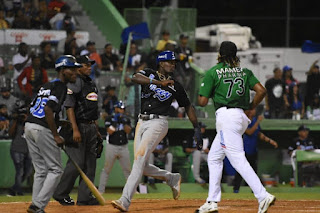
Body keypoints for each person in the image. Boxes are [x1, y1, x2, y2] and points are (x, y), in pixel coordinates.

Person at [111, 50, 203, 212]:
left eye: (174, 62)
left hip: (159, 122)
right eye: (170, 62)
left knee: (139, 160)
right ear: (161, 63)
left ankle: (125, 200)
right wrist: (160, 84)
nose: (173, 64)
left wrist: (196, 128)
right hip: (141, 121)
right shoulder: (148, 73)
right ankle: (171, 177)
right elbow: (134, 77)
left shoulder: (176, 85)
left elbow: (188, 106)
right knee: (142, 165)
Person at [196, 41, 276, 213]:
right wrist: (251, 106)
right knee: (214, 158)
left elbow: (202, 102)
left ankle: (263, 195)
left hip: (226, 117)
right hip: (240, 117)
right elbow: (261, 91)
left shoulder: (214, 72)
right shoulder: (244, 71)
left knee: (237, 159)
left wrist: (207, 90)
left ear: (220, 54)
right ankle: (211, 201)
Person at [24, 55, 80, 213]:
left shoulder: (47, 84)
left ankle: (36, 204)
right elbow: (48, 109)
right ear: (62, 70)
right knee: (55, 170)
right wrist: (56, 135)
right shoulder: (61, 87)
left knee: (41, 170)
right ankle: (38, 205)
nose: (75, 72)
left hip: (29, 125)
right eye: (72, 69)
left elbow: (38, 107)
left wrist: (58, 122)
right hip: (42, 128)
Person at [53, 55, 102, 206]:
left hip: (91, 126)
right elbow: (69, 107)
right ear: (78, 67)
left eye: (90, 65)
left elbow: (92, 109)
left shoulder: (90, 82)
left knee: (90, 164)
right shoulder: (76, 82)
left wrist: (96, 129)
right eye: (86, 65)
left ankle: (85, 197)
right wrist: (75, 129)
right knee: (77, 162)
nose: (89, 67)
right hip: (78, 125)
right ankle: (60, 193)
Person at [233, 108, 278, 193]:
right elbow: (249, 132)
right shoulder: (244, 120)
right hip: (244, 151)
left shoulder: (254, 120)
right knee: (240, 171)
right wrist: (258, 121)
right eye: (252, 109)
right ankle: (236, 190)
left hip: (253, 151)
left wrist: (270, 141)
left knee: (253, 172)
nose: (253, 111)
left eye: (254, 110)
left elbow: (258, 134)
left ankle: (255, 190)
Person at [98, 101, 132, 194]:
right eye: (120, 108)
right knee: (106, 169)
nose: (122, 110)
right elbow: (110, 131)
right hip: (112, 146)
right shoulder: (109, 118)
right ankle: (101, 191)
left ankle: (131, 191)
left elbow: (128, 131)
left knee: (127, 170)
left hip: (123, 147)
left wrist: (124, 122)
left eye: (123, 109)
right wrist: (115, 122)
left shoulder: (126, 119)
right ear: (116, 109)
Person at [7, 100, 32, 196]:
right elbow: (10, 133)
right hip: (17, 149)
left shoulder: (30, 121)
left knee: (28, 172)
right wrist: (16, 121)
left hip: (28, 149)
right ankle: (19, 191)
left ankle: (14, 189)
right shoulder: (15, 122)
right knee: (20, 170)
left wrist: (27, 120)